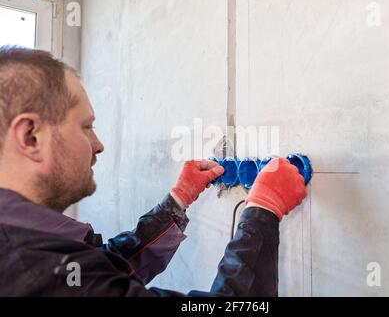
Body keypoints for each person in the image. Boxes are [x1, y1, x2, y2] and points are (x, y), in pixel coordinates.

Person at [0, 46, 307, 296]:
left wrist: (177, 201)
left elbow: (108, 268)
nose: (98, 144)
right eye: (86, 127)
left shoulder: (38, 252)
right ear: (31, 136)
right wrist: (262, 213)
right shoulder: (35, 272)